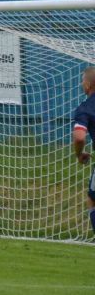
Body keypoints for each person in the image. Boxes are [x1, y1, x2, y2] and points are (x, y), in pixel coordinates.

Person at [71, 66, 95, 236]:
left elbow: (79, 137)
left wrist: (79, 154)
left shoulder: (86, 108)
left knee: (92, 200)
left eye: (82, 80)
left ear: (88, 85)